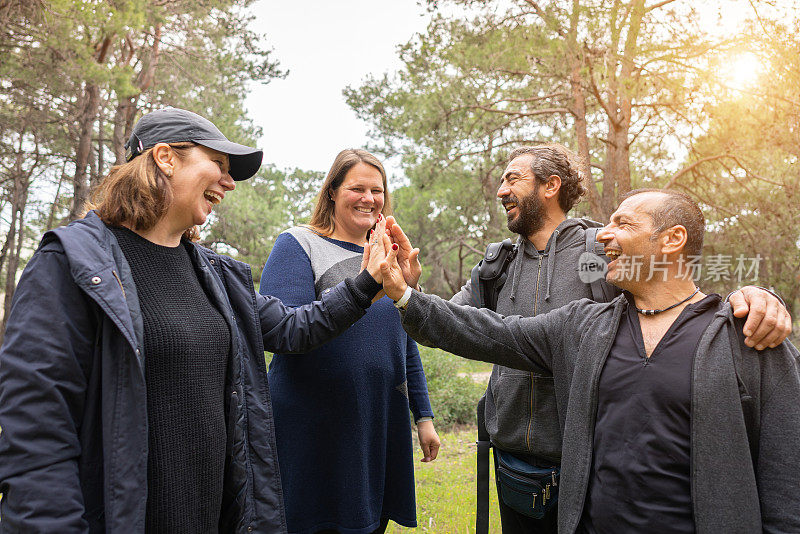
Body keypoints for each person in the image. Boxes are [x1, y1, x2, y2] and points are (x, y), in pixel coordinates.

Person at [0, 108, 389, 533]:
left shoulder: (217, 277)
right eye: (218, 166)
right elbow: (37, 432)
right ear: (166, 158)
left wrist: (367, 282)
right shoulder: (72, 264)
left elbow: (295, 328)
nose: (228, 182)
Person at [390, 144, 793, 533]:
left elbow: (786, 480)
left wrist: (758, 297)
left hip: (573, 460)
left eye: (623, 224)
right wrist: (408, 296)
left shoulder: (740, 339)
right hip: (525, 470)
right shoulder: (546, 298)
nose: (607, 236)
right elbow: (482, 331)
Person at [258, 148, 439, 534]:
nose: (369, 198)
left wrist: (423, 416)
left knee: (371, 520)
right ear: (332, 193)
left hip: (377, 418)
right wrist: (366, 284)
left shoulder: (389, 257)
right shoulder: (297, 244)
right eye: (357, 188)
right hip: (313, 424)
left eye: (378, 190)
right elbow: (285, 333)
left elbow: (405, 343)